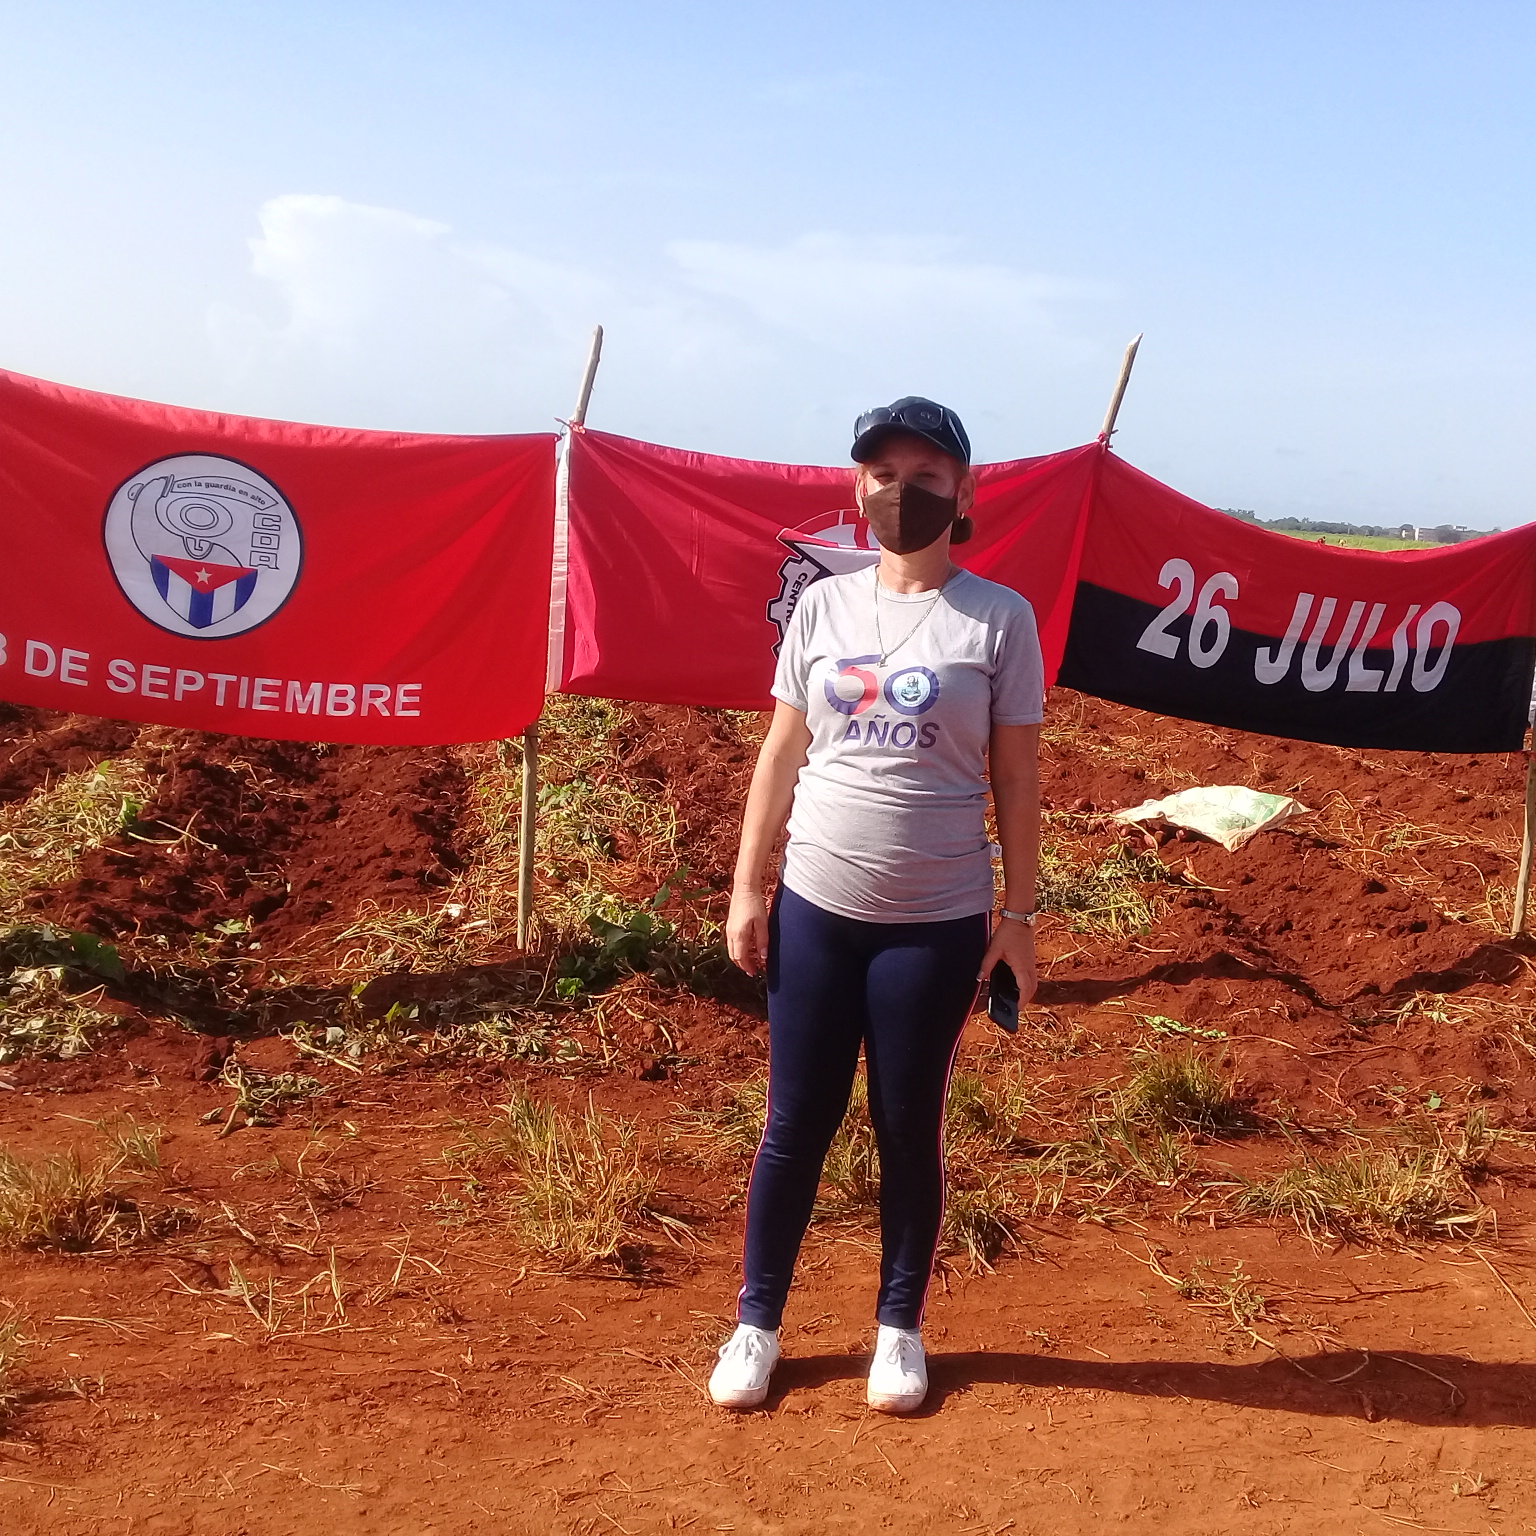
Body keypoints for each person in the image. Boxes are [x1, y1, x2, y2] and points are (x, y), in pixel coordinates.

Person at [709, 396, 1043, 1413]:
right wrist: (746, 885)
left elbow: (1018, 778)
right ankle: (757, 1322)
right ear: (858, 489)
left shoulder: (998, 619)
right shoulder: (822, 607)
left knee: (909, 1127)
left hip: (935, 923)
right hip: (817, 906)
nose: (906, 493)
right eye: (885, 474)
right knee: (793, 1126)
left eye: (929, 476)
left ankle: (899, 1328)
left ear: (966, 492)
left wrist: (1019, 919)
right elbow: (779, 751)